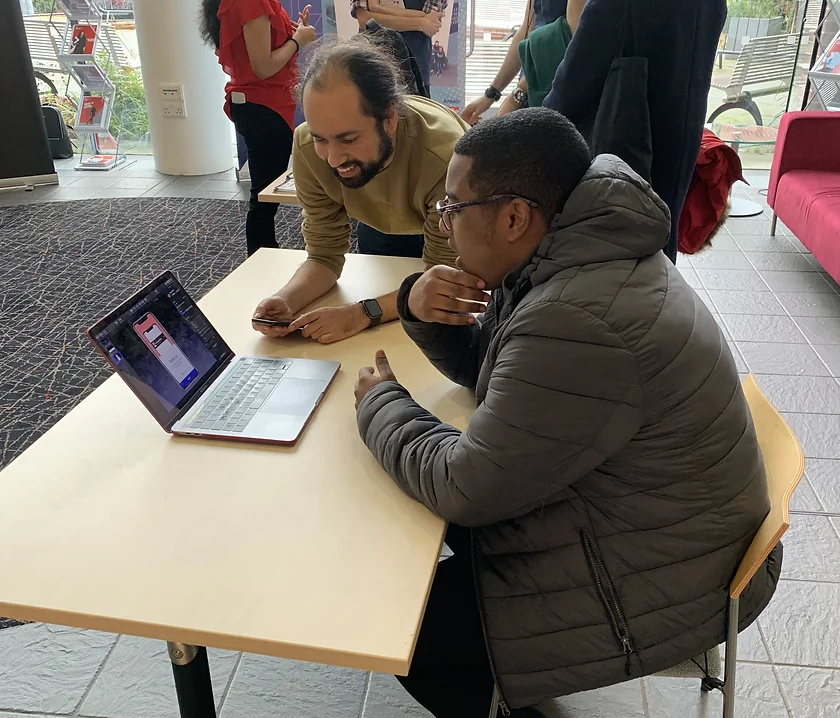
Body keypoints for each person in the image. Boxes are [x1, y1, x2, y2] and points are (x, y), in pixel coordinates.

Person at [352, 109, 780, 717]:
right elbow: (502, 381)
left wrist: (380, 404)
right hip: (662, 522)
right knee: (426, 535)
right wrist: (417, 308)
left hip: (676, 574)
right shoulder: (571, 254)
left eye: (452, 208)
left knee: (412, 633)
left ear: (514, 216)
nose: (443, 228)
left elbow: (463, 487)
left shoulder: (577, 316)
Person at [252, 38, 468, 345]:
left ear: (389, 119)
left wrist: (362, 313)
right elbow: (324, 256)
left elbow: (443, 282)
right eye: (321, 138)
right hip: (380, 219)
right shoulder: (307, 148)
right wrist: (287, 299)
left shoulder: (445, 157)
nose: (334, 159)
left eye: (348, 139)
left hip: (451, 223)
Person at [543, 0, 727, 264]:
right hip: (677, 141)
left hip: (621, 144)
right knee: (658, 245)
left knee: (613, 254)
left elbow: (570, 89)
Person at [199, 0, 317, 257]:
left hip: (262, 105)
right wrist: (297, 41)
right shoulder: (250, 1)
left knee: (265, 193)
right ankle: (261, 258)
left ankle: (263, 256)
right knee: (264, 196)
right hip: (263, 106)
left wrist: (295, 34)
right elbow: (263, 67)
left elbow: (260, 49)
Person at [460, 0, 574, 124]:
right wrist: (491, 94)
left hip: (557, 90)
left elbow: (572, 41)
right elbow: (526, 30)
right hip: (530, 87)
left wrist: (516, 96)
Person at [351, 0, 445, 97]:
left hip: (415, 68)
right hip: (372, 63)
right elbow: (364, 19)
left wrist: (376, 8)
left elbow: (431, 22)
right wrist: (420, 22)